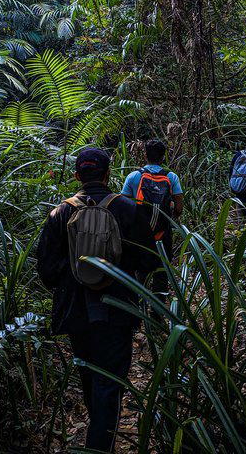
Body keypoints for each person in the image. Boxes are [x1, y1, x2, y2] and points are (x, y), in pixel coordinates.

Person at [36, 148, 158, 452]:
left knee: (90, 376)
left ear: (77, 175)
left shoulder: (59, 213)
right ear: (107, 174)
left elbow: (47, 272)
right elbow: (149, 261)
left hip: (76, 312)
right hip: (116, 309)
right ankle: (99, 444)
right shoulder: (127, 209)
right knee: (110, 380)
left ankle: (97, 435)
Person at [121, 139, 183, 298]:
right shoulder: (172, 177)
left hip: (139, 235)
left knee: (139, 273)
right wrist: (168, 219)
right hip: (163, 234)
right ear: (163, 156)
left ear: (145, 155)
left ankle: (138, 310)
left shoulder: (133, 176)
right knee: (161, 275)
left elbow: (123, 207)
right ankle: (158, 314)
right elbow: (179, 208)